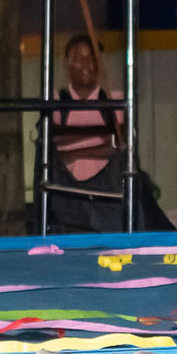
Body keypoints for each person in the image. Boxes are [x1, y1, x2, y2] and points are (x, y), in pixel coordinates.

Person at [46, 34, 130, 231]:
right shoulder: (56, 101)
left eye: (91, 57)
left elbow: (119, 146)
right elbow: (53, 144)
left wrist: (72, 153)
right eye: (77, 57)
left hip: (107, 200)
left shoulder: (115, 100)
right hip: (67, 201)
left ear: (99, 63)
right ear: (66, 63)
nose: (85, 63)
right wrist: (100, 139)